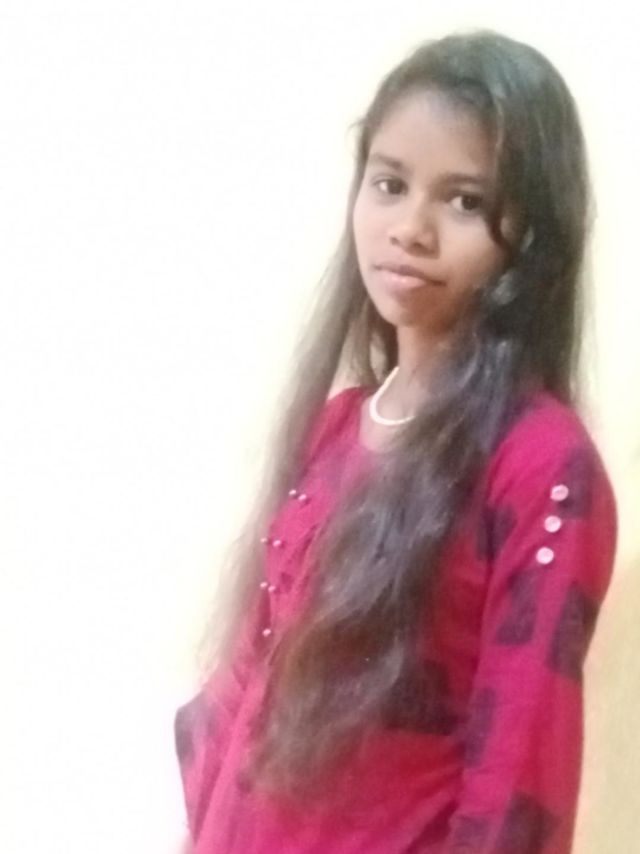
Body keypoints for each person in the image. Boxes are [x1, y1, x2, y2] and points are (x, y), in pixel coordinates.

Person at [174, 28, 618, 853]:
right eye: (390, 184)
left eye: (465, 201)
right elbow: (242, 697)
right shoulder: (335, 427)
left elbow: (518, 780)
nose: (410, 228)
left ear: (533, 238)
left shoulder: (541, 466)